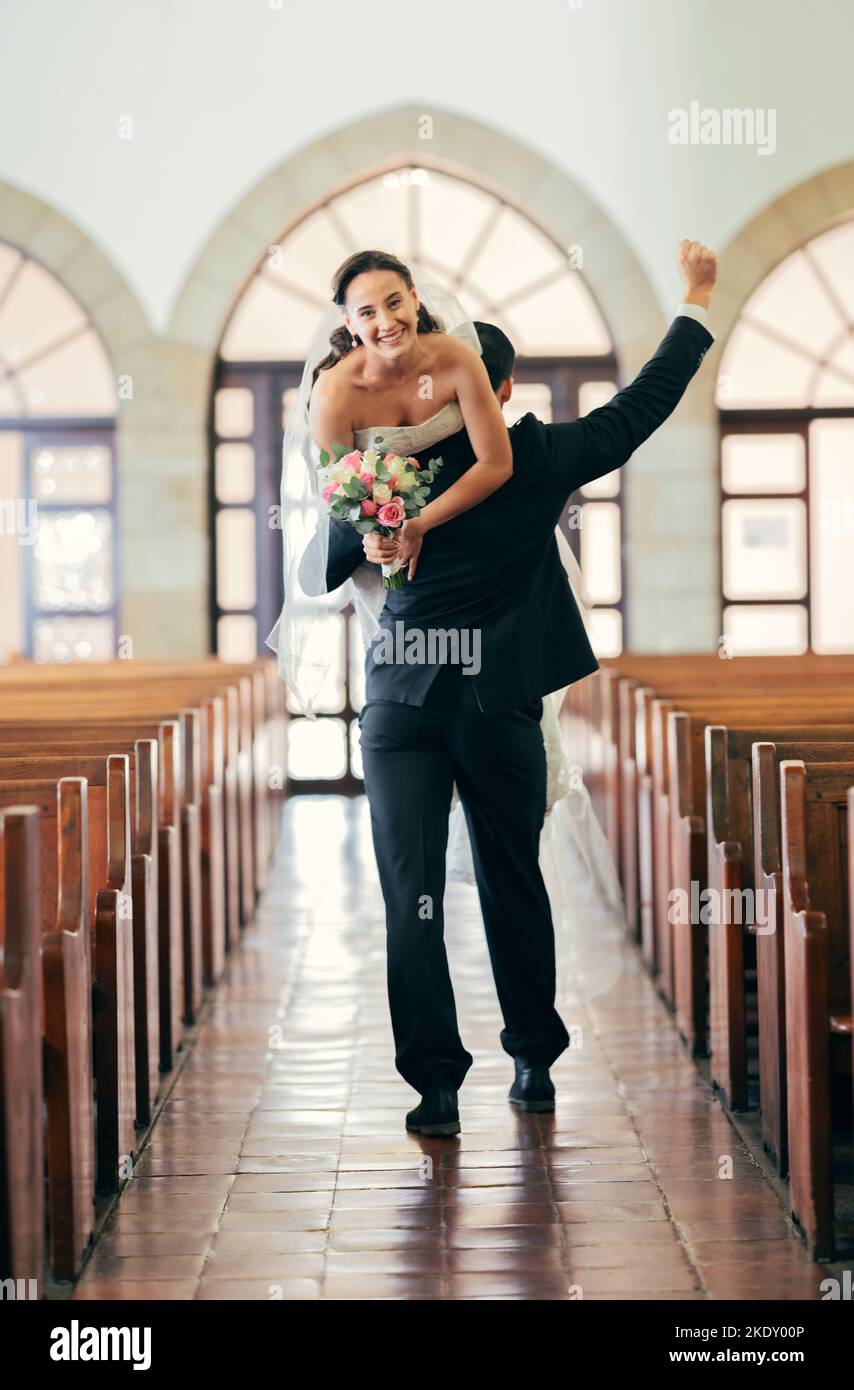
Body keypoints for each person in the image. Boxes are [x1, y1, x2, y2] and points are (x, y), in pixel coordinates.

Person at [274, 240, 717, 1139]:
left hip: (400, 703)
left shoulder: (380, 473)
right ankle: (533, 1062)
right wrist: (696, 302)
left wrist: (374, 518)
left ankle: (434, 1085)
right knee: (513, 878)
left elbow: (321, 571)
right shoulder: (540, 457)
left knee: (411, 892)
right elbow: (643, 406)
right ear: (500, 392)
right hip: (497, 702)